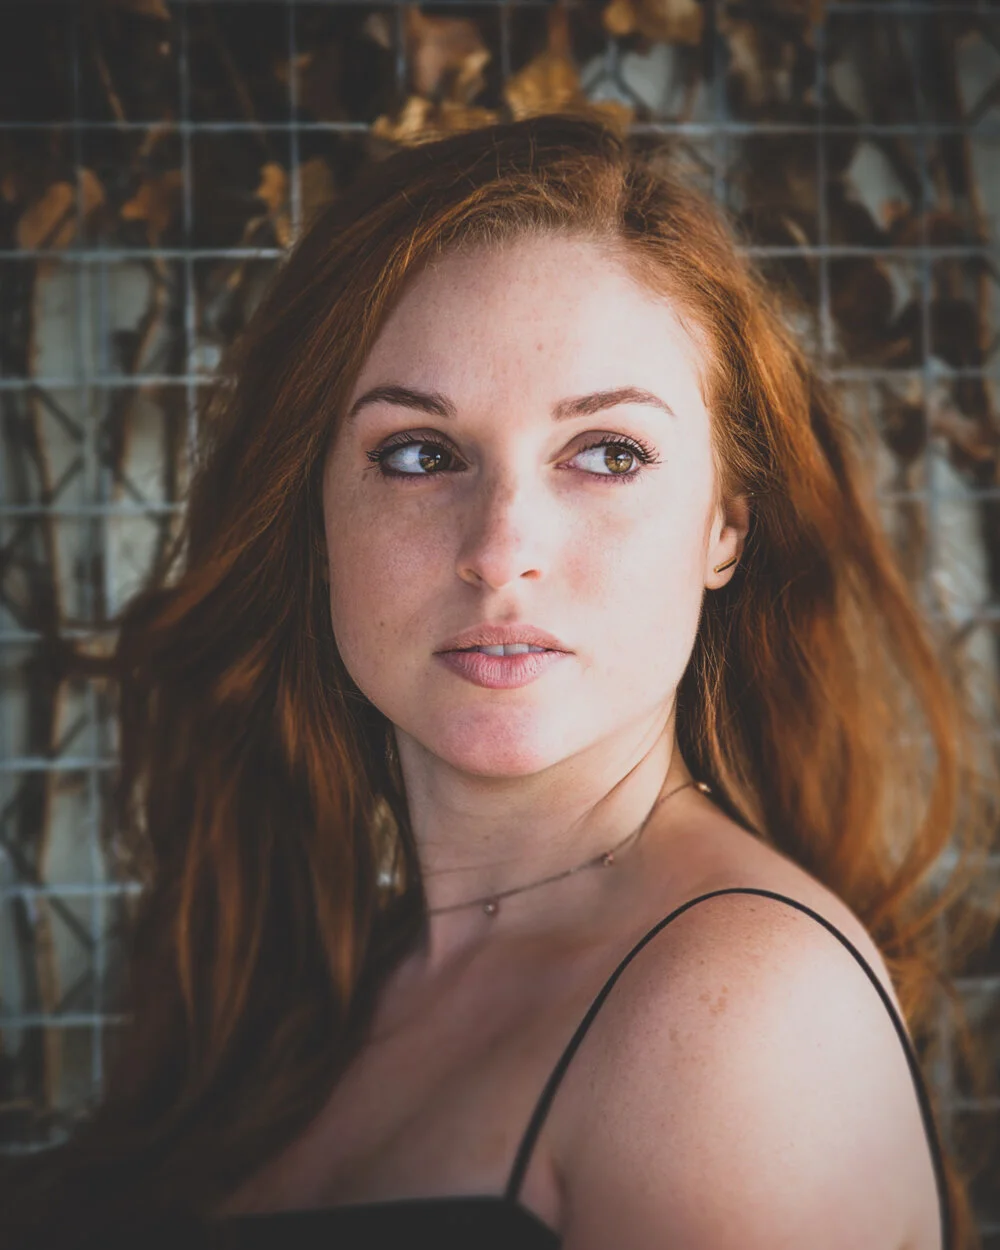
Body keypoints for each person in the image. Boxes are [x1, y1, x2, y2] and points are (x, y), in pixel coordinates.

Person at [3, 112, 999, 1250]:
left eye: (608, 452)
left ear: (725, 524)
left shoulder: (742, 1012)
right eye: (419, 453)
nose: (499, 547)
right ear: (314, 513)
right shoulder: (310, 977)